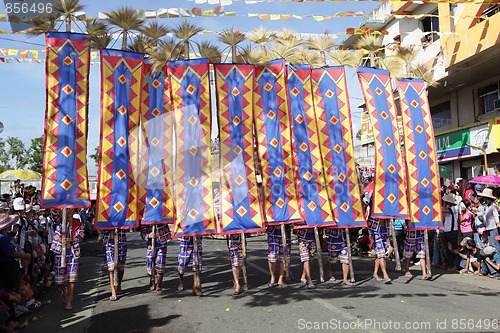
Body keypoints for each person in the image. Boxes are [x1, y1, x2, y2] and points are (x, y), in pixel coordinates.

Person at [50, 210, 85, 310]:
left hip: (73, 252)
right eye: (66, 209)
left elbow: (81, 235)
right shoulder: (59, 221)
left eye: (70, 208)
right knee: (59, 279)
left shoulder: (78, 222)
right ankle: (64, 291)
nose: (68, 211)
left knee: (72, 278)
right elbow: (53, 213)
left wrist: (71, 240)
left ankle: (70, 300)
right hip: (60, 252)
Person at [140, 224, 170, 293]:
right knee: (150, 263)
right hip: (151, 244)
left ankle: (158, 285)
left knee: (161, 263)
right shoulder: (146, 218)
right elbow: (143, 232)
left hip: (161, 242)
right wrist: (149, 235)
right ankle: (152, 279)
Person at [103, 229, 127, 301]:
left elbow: (128, 226)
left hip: (121, 242)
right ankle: (113, 291)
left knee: (121, 266)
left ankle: (118, 285)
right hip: (109, 243)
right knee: (111, 267)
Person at [367, 217, 392, 283]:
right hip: (376, 231)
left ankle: (375, 273)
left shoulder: (387, 220)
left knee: (379, 254)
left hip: (385, 231)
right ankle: (385, 275)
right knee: (381, 254)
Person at [478, 188, 500, 252]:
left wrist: (498, 222)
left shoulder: (493, 206)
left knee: (495, 243)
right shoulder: (486, 206)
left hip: (493, 227)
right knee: (490, 243)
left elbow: (496, 215)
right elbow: (484, 216)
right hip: (488, 227)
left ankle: (498, 257)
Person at [442, 192, 460, 270]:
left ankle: (455, 265)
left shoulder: (454, 208)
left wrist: (444, 204)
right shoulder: (450, 207)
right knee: (446, 248)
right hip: (447, 229)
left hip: (452, 230)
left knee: (454, 248)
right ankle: (450, 263)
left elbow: (443, 210)